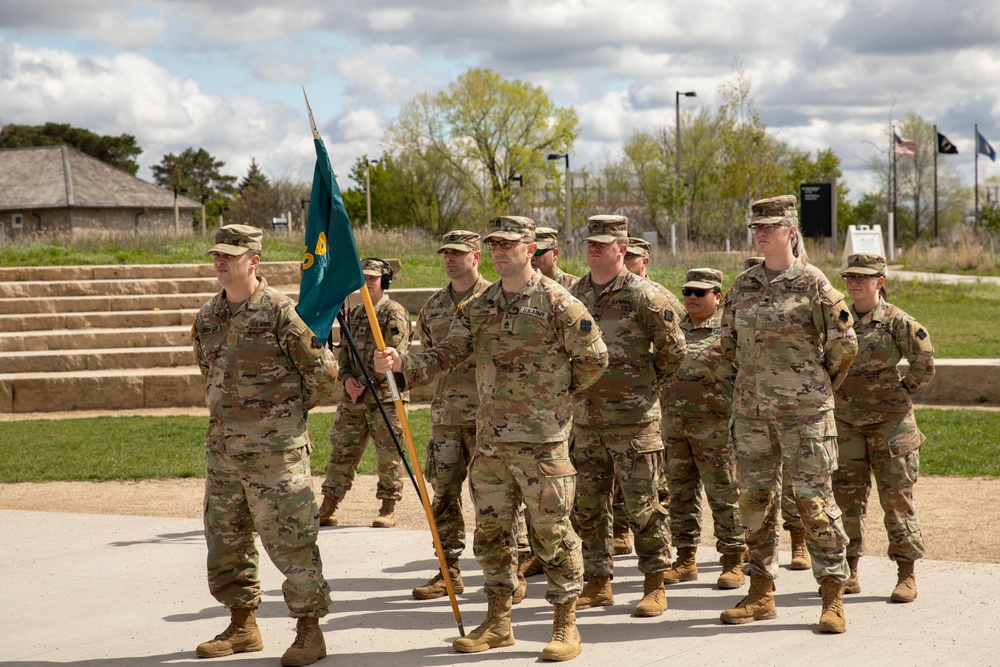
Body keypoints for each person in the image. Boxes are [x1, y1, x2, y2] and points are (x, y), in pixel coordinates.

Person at [375, 215, 608, 662]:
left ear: (530, 247)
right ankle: (498, 622)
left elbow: (595, 358)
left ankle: (565, 625)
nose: (500, 251)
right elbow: (448, 353)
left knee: (553, 534)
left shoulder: (559, 303)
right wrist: (402, 362)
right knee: (493, 535)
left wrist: (555, 396)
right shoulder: (479, 307)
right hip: (491, 445)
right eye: (493, 245)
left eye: (508, 244)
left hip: (542, 444)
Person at [192, 224, 338, 666]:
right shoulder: (207, 318)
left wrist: (283, 417)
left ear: (254, 262)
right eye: (217, 254)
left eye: (231, 255)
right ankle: (242, 627)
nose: (221, 261)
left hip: (276, 454)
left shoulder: (281, 313)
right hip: (223, 453)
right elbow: (210, 377)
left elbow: (324, 374)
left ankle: (310, 632)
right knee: (225, 544)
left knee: (292, 543)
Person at [718, 195, 857, 634]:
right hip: (753, 413)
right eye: (756, 227)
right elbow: (728, 345)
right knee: (754, 504)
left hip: (805, 415)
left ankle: (832, 595)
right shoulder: (743, 285)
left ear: (791, 231)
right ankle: (760, 594)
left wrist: (815, 388)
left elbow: (844, 345)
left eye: (771, 226)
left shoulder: (815, 284)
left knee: (815, 503)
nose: (762, 234)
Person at [569, 215, 686, 617]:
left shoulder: (645, 295)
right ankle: (598, 583)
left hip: (634, 422)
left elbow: (674, 350)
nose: (595, 249)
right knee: (589, 507)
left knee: (644, 507)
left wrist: (646, 384)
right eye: (590, 242)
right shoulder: (572, 293)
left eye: (604, 243)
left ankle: (655, 582)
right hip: (585, 421)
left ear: (623, 249)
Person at [833, 253, 934, 602]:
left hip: (891, 426)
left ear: (880, 281)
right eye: (849, 277)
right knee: (846, 498)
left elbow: (923, 361)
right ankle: (849, 571)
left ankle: (906, 573)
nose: (854, 283)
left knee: (896, 500)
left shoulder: (896, 321)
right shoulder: (837, 319)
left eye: (863, 277)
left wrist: (902, 391)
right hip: (846, 423)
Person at [411, 230, 491, 601]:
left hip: (492, 416)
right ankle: (449, 571)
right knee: (443, 495)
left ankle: (510, 569)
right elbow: (431, 357)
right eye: (445, 253)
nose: (450, 259)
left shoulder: (495, 299)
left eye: (458, 253)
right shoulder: (433, 306)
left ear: (476, 256)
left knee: (495, 497)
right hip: (447, 417)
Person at [660, 268, 747, 589]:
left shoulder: (728, 332)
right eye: (687, 292)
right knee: (680, 495)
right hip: (675, 428)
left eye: (700, 293)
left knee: (724, 495)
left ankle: (734, 559)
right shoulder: (673, 330)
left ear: (717, 296)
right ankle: (685, 559)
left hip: (717, 431)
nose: (692, 298)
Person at [319, 258, 411, 529]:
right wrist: (347, 379)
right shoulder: (356, 314)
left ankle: (388, 507)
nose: (367, 283)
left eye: (373, 278)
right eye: (364, 278)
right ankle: (329, 505)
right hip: (354, 397)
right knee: (342, 452)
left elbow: (393, 355)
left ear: (385, 281)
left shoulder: (393, 313)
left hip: (385, 396)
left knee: (389, 454)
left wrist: (367, 381)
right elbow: (344, 353)